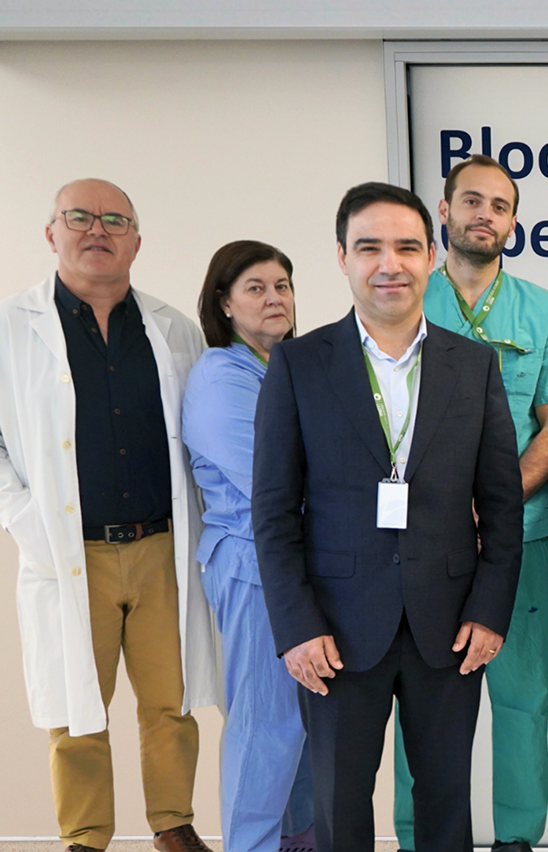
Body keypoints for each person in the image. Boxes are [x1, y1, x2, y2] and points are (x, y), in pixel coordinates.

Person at [253, 182, 524, 852]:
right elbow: (274, 511)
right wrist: (296, 627)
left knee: (446, 801)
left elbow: (502, 504)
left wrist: (490, 611)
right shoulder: (298, 364)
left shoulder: (474, 365)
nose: (389, 264)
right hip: (334, 629)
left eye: (406, 247)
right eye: (369, 247)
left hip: (451, 626)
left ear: (431, 256)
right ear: (342, 257)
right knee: (340, 804)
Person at [0, 179, 216, 852]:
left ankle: (173, 826)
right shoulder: (11, 328)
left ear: (136, 242)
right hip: (69, 549)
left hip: (159, 546)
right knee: (75, 708)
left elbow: (202, 433)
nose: (98, 229)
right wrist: (23, 516)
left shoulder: (173, 330)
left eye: (115, 220)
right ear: (51, 233)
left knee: (170, 702)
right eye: (80, 217)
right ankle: (85, 836)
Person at [389, 152, 548, 852]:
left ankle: (516, 839)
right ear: (444, 211)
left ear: (514, 222)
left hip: (518, 536)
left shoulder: (543, 311)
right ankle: (420, 839)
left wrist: (493, 507)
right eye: (471, 201)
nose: (484, 215)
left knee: (522, 697)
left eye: (499, 206)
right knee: (420, 701)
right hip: (421, 546)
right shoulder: (407, 301)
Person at [181, 240, 314, 852]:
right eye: (256, 288)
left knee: (308, 724)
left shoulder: (292, 368)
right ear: (225, 304)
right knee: (266, 725)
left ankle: (299, 842)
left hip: (307, 565)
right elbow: (273, 482)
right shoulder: (220, 376)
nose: (274, 298)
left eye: (282, 285)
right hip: (254, 567)